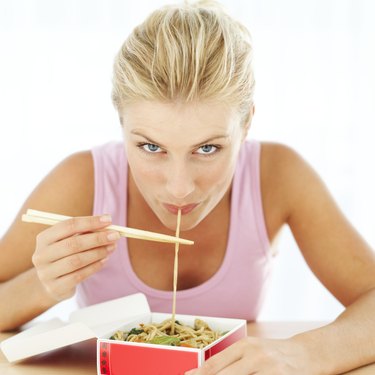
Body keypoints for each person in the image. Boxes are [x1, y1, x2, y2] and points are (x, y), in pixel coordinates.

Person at [1, 0, 375, 373]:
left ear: (245, 126)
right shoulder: (83, 181)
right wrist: (44, 286)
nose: (179, 188)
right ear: (120, 123)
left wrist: (307, 353)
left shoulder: (278, 175)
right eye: (151, 147)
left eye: (208, 148)